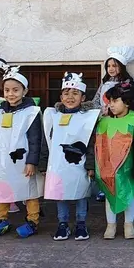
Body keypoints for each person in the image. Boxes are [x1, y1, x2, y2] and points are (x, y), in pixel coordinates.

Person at [0, 67, 45, 238]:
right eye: (7, 90)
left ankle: (32, 221)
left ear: (25, 91)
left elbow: (36, 138)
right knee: (3, 188)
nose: (11, 94)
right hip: (3, 160)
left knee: (28, 190)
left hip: (23, 160)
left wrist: (32, 161)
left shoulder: (31, 112)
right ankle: (2, 219)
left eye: (15, 90)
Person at [44, 72, 99, 242]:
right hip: (59, 165)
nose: (70, 97)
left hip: (79, 164)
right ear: (61, 96)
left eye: (75, 93)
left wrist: (91, 165)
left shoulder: (88, 118)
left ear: (83, 97)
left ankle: (81, 223)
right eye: (66, 93)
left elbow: (91, 144)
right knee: (61, 194)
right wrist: (43, 164)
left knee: (80, 193)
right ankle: (63, 223)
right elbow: (47, 141)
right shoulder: (53, 116)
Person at [95, 83, 134, 240]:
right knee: (109, 194)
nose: (111, 104)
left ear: (127, 102)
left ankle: (128, 224)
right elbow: (99, 145)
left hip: (128, 169)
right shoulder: (103, 122)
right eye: (109, 101)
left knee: (128, 195)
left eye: (115, 101)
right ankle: (110, 225)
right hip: (109, 168)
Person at [92, 46, 134, 112]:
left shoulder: (127, 82)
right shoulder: (105, 81)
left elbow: (127, 102)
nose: (111, 69)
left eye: (114, 66)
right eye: (108, 66)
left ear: (121, 66)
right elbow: (96, 99)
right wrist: (101, 110)